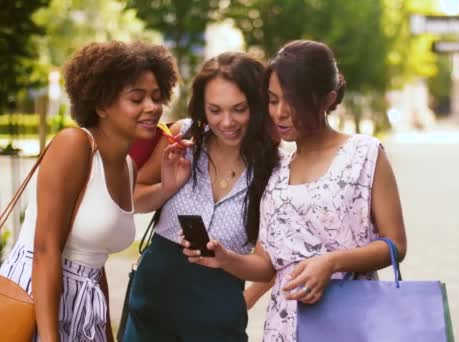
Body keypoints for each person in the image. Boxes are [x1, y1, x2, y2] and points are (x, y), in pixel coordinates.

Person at [182, 39, 408, 341]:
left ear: (327, 99)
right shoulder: (276, 169)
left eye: (293, 100)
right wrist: (225, 258)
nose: (280, 113)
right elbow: (266, 265)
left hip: (354, 323)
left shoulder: (365, 154)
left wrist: (331, 262)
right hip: (284, 329)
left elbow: (396, 245)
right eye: (273, 100)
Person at [0, 40, 178, 342]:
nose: (152, 108)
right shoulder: (74, 145)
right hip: (38, 300)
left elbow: (95, 259)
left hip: (85, 307)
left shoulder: (128, 167)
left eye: (156, 97)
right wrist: (48, 336)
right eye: (137, 99)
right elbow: (45, 249)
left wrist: (105, 331)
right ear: (100, 105)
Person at [123, 51, 279, 342]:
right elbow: (135, 199)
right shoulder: (182, 137)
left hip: (218, 306)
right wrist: (167, 187)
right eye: (215, 110)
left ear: (257, 106)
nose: (227, 122)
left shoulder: (276, 167)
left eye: (239, 109)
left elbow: (273, 260)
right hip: (154, 297)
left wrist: (241, 298)